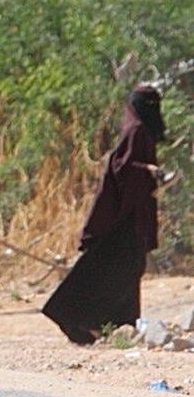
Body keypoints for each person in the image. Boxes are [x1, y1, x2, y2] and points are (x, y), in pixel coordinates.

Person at [43, 86, 168, 344]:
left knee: (128, 269)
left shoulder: (140, 131)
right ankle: (77, 321)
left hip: (131, 215)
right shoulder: (136, 131)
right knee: (116, 269)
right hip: (123, 217)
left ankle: (120, 326)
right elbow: (123, 169)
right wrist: (149, 171)